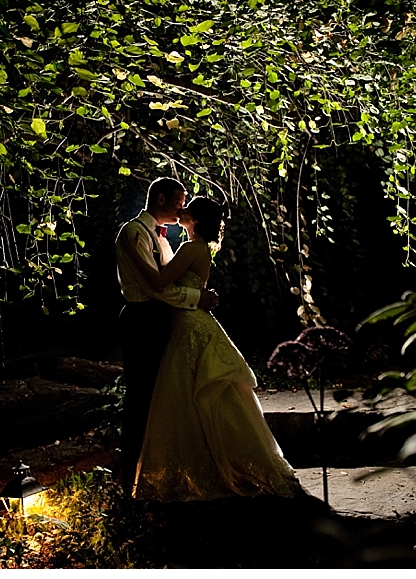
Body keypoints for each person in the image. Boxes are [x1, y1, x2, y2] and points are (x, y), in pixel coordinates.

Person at [132, 196, 301, 501]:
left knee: (186, 392)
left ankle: (203, 464)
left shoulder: (191, 248)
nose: (180, 211)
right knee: (200, 394)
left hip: (190, 324)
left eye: (186, 210)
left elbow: (160, 281)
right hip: (193, 319)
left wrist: (137, 258)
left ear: (194, 220)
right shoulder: (198, 248)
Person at [115, 177, 220, 487]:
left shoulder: (163, 238)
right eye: (179, 201)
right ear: (160, 200)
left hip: (162, 318)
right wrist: (197, 298)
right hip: (141, 318)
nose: (182, 207)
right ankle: (131, 474)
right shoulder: (134, 233)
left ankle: (160, 468)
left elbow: (171, 282)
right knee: (140, 396)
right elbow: (156, 287)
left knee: (164, 396)